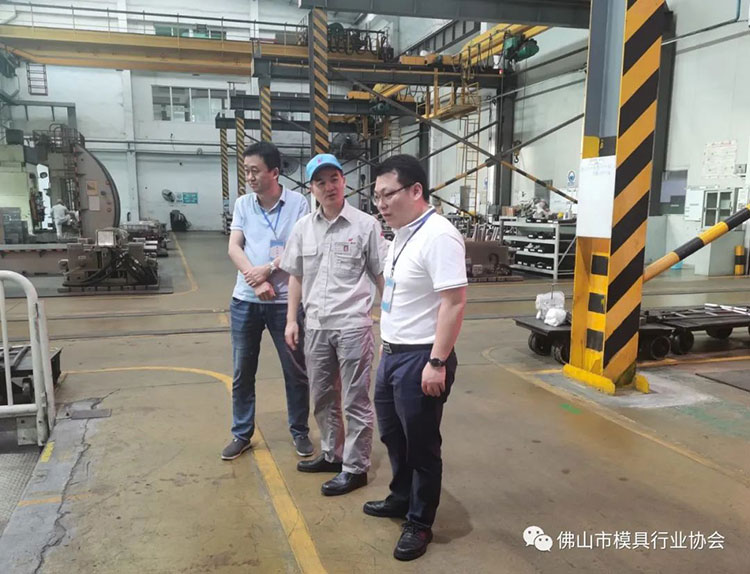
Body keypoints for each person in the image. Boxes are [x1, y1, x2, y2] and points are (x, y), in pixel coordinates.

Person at [365, 154, 467, 561]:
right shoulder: (401, 234)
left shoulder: (438, 236)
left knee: (422, 444)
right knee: (393, 434)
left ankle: (420, 522)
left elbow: (454, 303)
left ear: (416, 190)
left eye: (387, 194)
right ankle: (401, 497)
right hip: (392, 354)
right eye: (376, 196)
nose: (381, 204)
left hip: (422, 357)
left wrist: (437, 362)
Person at [281, 153, 388, 496]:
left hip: (353, 325)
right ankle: (333, 454)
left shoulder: (366, 226)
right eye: (320, 182)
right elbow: (296, 276)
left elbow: (381, 276)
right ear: (311, 188)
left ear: (344, 181)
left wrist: (389, 319)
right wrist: (291, 320)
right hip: (315, 325)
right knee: (323, 397)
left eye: (334, 179)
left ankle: (355, 468)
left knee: (355, 400)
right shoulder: (303, 228)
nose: (329, 187)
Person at [222, 141, 313, 461]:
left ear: (274, 172)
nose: (249, 177)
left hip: (285, 302)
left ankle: (299, 431)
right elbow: (234, 247)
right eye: (246, 171)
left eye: (255, 171)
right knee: (242, 371)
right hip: (246, 300)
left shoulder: (298, 204)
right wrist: (256, 279)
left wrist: (269, 270)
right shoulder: (243, 204)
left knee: (296, 370)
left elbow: (299, 248)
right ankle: (241, 433)